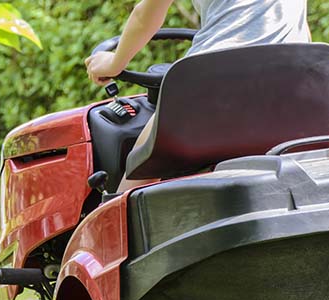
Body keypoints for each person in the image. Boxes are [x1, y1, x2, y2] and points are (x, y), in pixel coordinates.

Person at [85, 0, 311, 191]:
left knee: (140, 165)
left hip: (216, 84)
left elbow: (146, 15)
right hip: (300, 86)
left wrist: (114, 63)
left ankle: (114, 236)